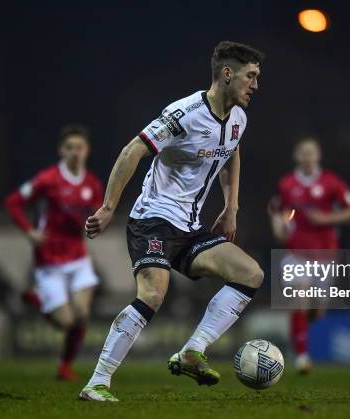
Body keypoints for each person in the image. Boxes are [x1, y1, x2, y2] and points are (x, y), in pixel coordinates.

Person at [79, 41, 265, 402]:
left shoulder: (239, 118)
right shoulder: (184, 114)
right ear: (227, 74)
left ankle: (192, 352)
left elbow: (232, 152)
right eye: (251, 76)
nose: (256, 85)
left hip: (190, 227)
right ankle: (97, 382)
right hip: (153, 220)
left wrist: (232, 208)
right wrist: (108, 207)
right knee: (153, 293)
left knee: (251, 274)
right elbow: (132, 150)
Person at [5, 125, 103, 380]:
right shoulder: (48, 179)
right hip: (49, 260)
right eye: (69, 148)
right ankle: (37, 297)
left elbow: (99, 214)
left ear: (87, 151)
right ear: (61, 150)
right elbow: (14, 201)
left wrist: (98, 223)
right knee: (65, 322)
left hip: (78, 257)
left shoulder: (92, 184)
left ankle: (64, 366)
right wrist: (29, 231)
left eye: (79, 148)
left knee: (82, 316)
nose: (74, 152)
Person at [268, 138, 350, 373]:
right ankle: (302, 357)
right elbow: (281, 212)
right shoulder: (287, 184)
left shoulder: (332, 182)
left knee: (316, 312)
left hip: (326, 255)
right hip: (296, 253)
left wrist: (326, 219)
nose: (307, 157)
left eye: (311, 153)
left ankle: (303, 329)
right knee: (298, 297)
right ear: (296, 157)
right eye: (303, 153)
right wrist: (279, 224)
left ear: (318, 156)